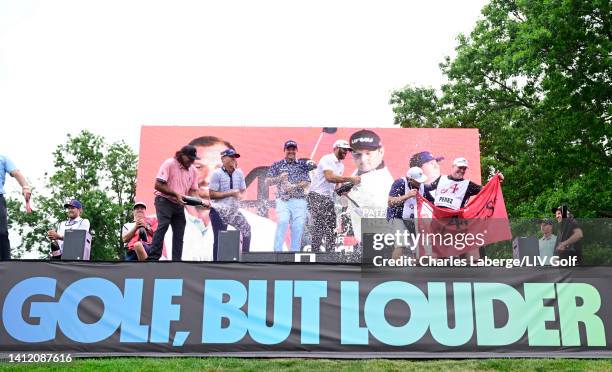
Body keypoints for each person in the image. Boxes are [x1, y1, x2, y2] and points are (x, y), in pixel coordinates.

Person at [425, 157, 504, 259]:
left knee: (460, 250)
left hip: (456, 222)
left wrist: (497, 181)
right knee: (440, 252)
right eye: (460, 167)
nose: (462, 170)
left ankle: (466, 272)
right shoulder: (441, 179)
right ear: (453, 166)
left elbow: (487, 190)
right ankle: (443, 273)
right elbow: (427, 188)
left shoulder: (468, 185)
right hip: (438, 222)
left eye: (464, 168)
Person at [148, 145, 209, 261]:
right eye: (189, 158)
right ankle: (153, 257)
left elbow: (193, 192)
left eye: (193, 159)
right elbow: (158, 185)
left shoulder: (193, 170)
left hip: (179, 204)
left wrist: (201, 202)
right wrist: (176, 194)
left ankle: (176, 260)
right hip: (164, 200)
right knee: (163, 225)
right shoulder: (170, 163)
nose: (191, 161)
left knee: (179, 231)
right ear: (181, 155)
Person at [307, 140, 360, 252]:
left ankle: (329, 254)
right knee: (320, 225)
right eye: (344, 149)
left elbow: (336, 187)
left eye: (348, 150)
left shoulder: (341, 165)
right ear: (335, 148)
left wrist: (344, 190)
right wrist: (350, 179)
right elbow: (329, 177)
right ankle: (315, 253)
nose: (346, 152)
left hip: (327, 198)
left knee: (330, 226)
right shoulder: (327, 159)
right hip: (316, 196)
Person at [346, 130, 394, 243]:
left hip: (377, 242)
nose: (363, 159)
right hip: (365, 241)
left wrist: (347, 194)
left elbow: (369, 211)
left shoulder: (382, 182)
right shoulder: (361, 172)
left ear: (381, 151)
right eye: (357, 154)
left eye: (368, 153)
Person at [266, 140, 311, 252]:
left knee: (298, 226)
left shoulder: (302, 165)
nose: (291, 151)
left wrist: (293, 186)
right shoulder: (277, 165)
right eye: (288, 149)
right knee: (283, 222)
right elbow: (267, 181)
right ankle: (277, 251)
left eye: (293, 149)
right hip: (283, 200)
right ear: (284, 150)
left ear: (296, 150)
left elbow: (306, 181)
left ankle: (294, 252)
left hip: (299, 201)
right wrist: (279, 178)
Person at [209, 148, 251, 258]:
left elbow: (242, 191)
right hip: (218, 210)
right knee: (219, 239)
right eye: (231, 156)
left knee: (246, 230)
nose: (234, 159)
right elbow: (212, 195)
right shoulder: (216, 174)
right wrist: (231, 193)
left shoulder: (239, 173)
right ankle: (216, 267)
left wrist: (240, 197)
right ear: (223, 159)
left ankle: (245, 260)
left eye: (235, 157)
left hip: (232, 211)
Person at [387, 167, 429, 258]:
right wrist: (407, 196)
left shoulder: (422, 186)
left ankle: (418, 271)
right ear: (410, 179)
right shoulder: (400, 183)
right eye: (417, 181)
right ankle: (393, 271)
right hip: (397, 217)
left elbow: (432, 202)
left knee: (419, 251)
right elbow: (390, 202)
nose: (420, 183)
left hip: (412, 220)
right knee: (401, 244)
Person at [0, 155, 31, 260]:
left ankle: (5, 263)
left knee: (2, 232)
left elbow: (16, 173)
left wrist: (25, 187)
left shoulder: (3, 159)